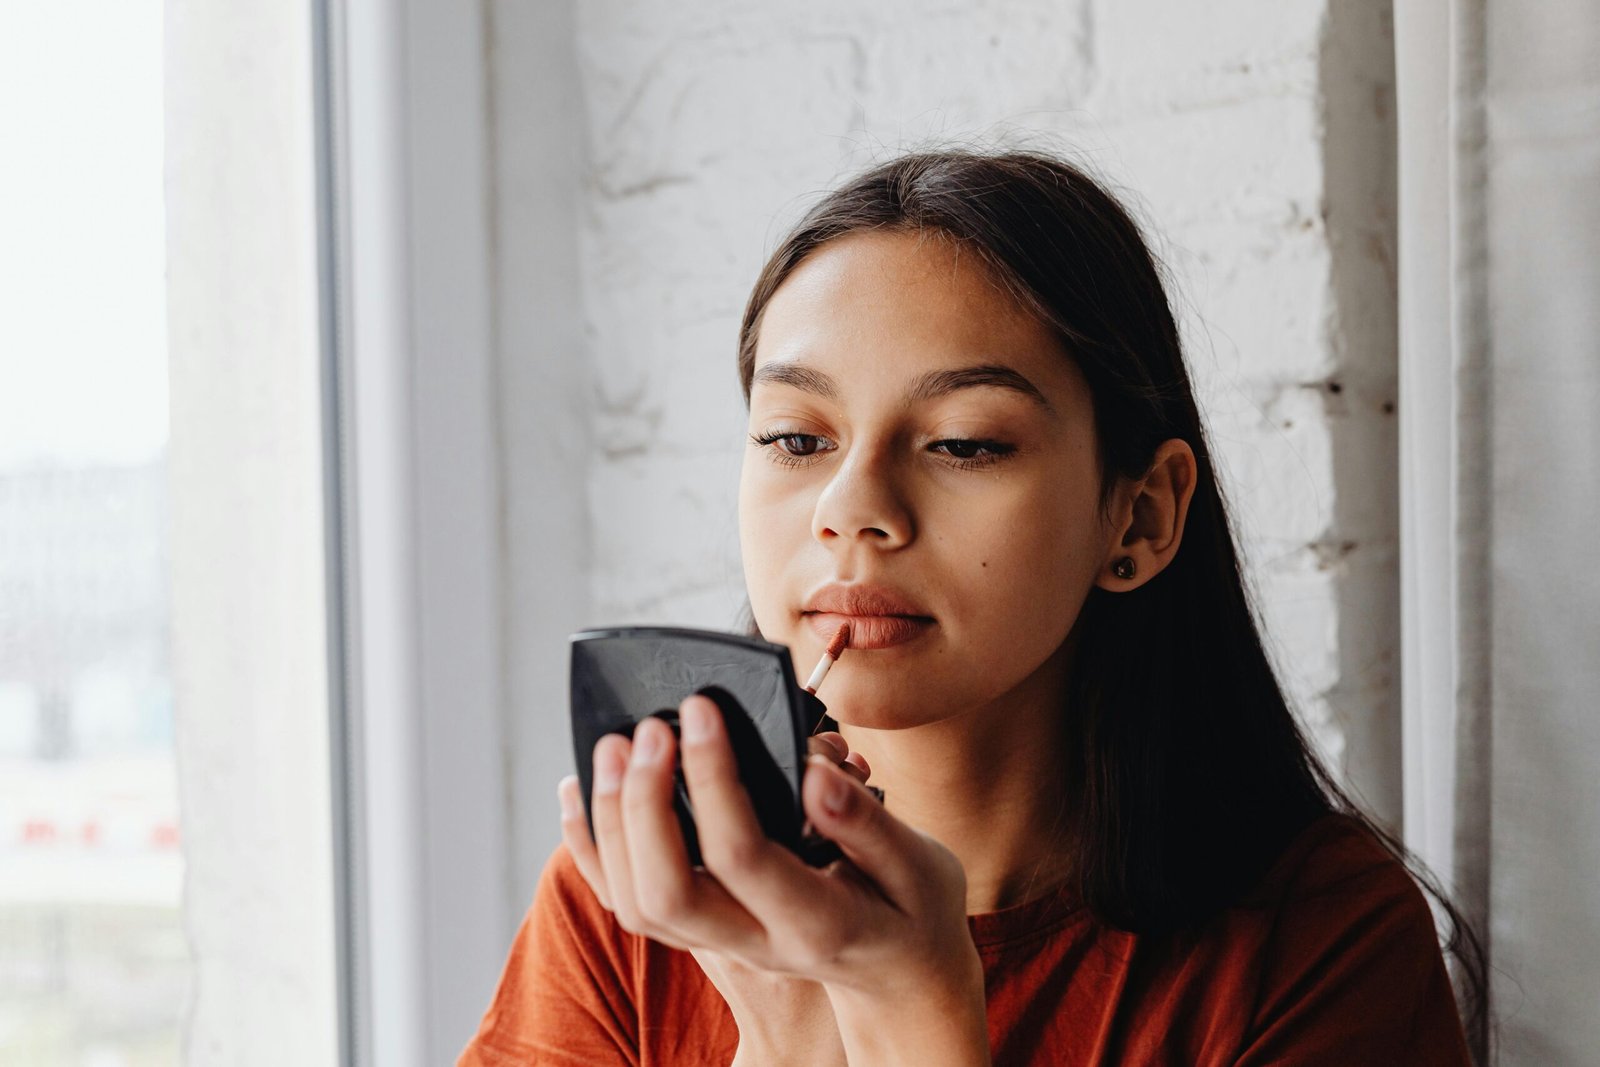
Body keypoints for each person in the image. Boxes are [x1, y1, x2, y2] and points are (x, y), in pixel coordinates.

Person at [457, 149, 1487, 1066]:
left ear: (1136, 518)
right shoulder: (643, 894)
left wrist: (908, 1008)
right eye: (794, 438)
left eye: (961, 442)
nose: (850, 508)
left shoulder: (1318, 945)